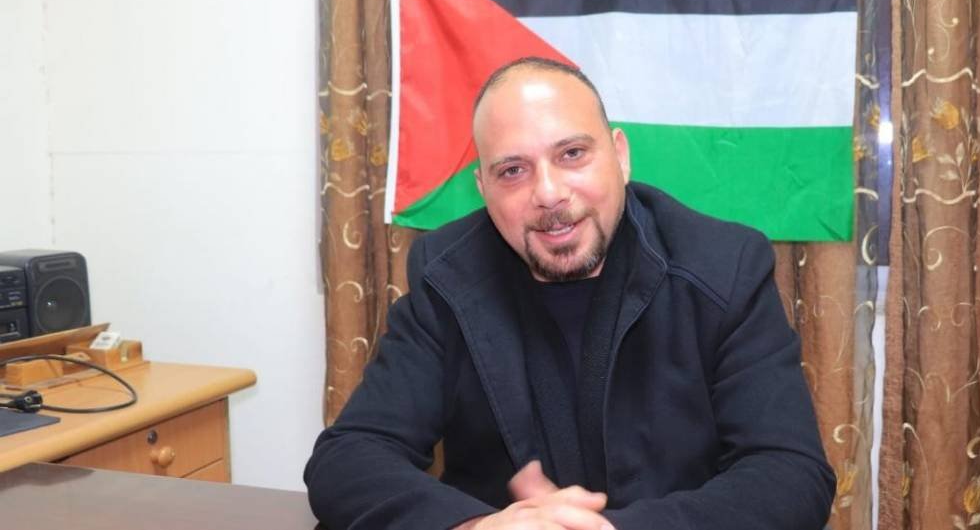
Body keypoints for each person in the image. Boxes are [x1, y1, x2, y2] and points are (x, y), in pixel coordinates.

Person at [305, 57, 836, 530]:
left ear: (620, 156)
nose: (549, 193)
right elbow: (348, 458)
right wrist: (475, 527)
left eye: (573, 154)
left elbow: (790, 474)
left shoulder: (723, 267)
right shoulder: (447, 277)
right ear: (483, 188)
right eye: (513, 170)